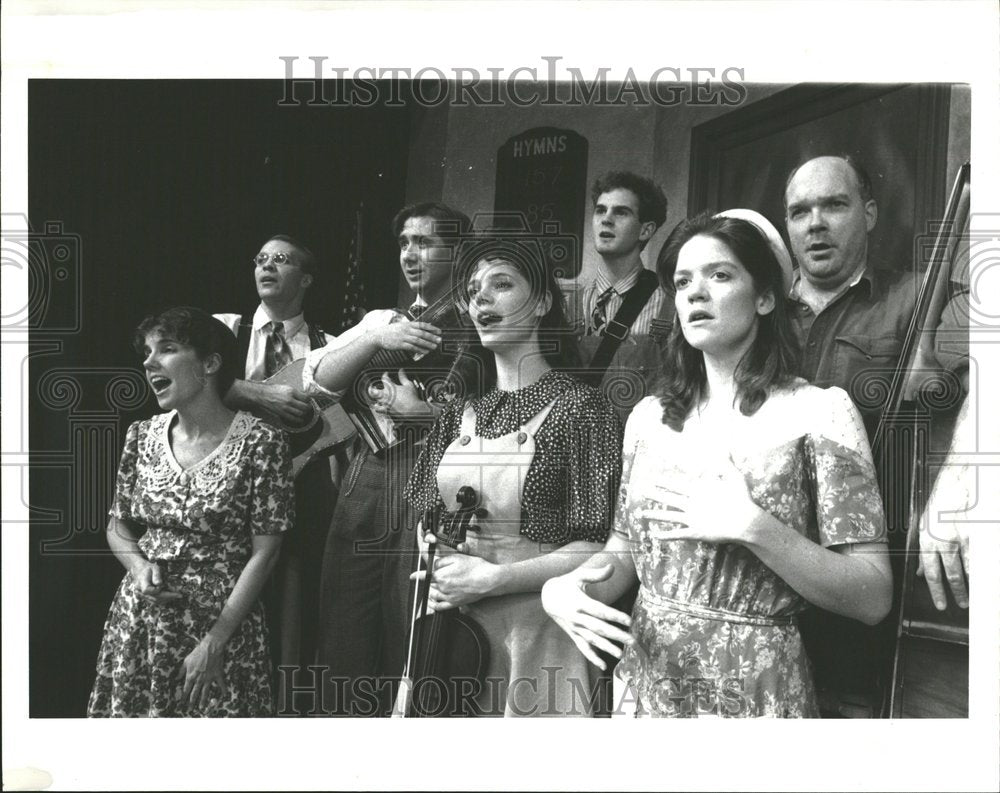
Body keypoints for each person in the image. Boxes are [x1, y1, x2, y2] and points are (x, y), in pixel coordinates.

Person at [541, 211, 893, 717]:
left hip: (756, 693)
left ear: (765, 297)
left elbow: (873, 595)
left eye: (720, 275)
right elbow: (624, 555)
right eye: (682, 281)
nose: (694, 293)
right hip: (648, 687)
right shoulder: (647, 419)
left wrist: (757, 528)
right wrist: (566, 587)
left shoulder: (821, 412)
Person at [403, 236, 623, 717]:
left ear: (544, 301)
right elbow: (427, 522)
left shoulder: (581, 409)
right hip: (457, 644)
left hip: (543, 639)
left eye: (501, 284)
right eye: (474, 290)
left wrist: (494, 579)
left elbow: (600, 546)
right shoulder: (458, 413)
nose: (481, 299)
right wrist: (436, 554)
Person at [783, 154, 968, 715]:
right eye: (799, 211)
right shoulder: (757, 311)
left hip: (867, 588)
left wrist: (958, 480)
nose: (815, 222)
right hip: (769, 590)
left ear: (868, 212)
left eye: (834, 205)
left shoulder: (921, 299)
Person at [302, 202, 471, 715]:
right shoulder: (384, 319)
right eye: (404, 243)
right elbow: (317, 385)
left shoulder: (472, 320)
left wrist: (418, 414)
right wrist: (376, 336)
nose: (410, 254)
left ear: (457, 251)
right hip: (369, 473)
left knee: (409, 622)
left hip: (431, 477)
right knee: (346, 617)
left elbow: (486, 418)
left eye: (425, 242)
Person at [88, 307, 294, 717]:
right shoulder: (140, 435)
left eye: (167, 349)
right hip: (141, 624)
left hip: (222, 630)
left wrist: (214, 643)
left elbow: (266, 552)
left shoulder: (262, 442)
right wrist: (137, 566)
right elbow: (117, 526)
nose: (149, 362)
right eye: (147, 352)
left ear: (210, 364)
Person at [214, 234, 337, 710]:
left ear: (305, 278)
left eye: (281, 261)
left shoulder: (329, 346)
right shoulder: (224, 329)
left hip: (300, 495)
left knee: (291, 618)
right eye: (260, 258)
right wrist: (254, 393)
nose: (266, 267)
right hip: (227, 495)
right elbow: (183, 384)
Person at [575, 171, 673, 420]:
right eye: (600, 210)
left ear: (645, 230)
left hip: (631, 449)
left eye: (621, 212)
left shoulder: (668, 304)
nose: (606, 220)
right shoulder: (569, 304)